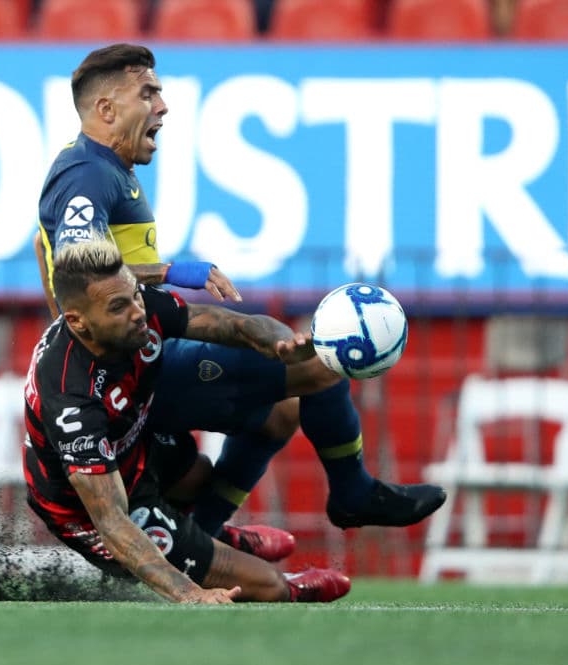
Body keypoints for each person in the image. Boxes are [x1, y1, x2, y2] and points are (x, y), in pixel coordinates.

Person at [34, 44, 446, 551]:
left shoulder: (98, 168)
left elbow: (43, 248)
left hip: (133, 358)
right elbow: (77, 268)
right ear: (106, 109)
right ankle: (352, 492)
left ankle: (207, 533)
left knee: (281, 415)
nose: (162, 106)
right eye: (148, 93)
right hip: (138, 365)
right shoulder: (89, 174)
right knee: (321, 367)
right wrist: (174, 271)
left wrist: (67, 326)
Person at [23, 238, 351, 603]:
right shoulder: (71, 400)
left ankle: (213, 535)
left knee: (198, 474)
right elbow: (113, 522)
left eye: (135, 297)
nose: (137, 312)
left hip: (132, 444)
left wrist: (281, 343)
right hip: (89, 509)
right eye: (119, 307)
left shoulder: (137, 308)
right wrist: (189, 593)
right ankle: (280, 582)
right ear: (77, 322)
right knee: (267, 584)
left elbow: (233, 325)